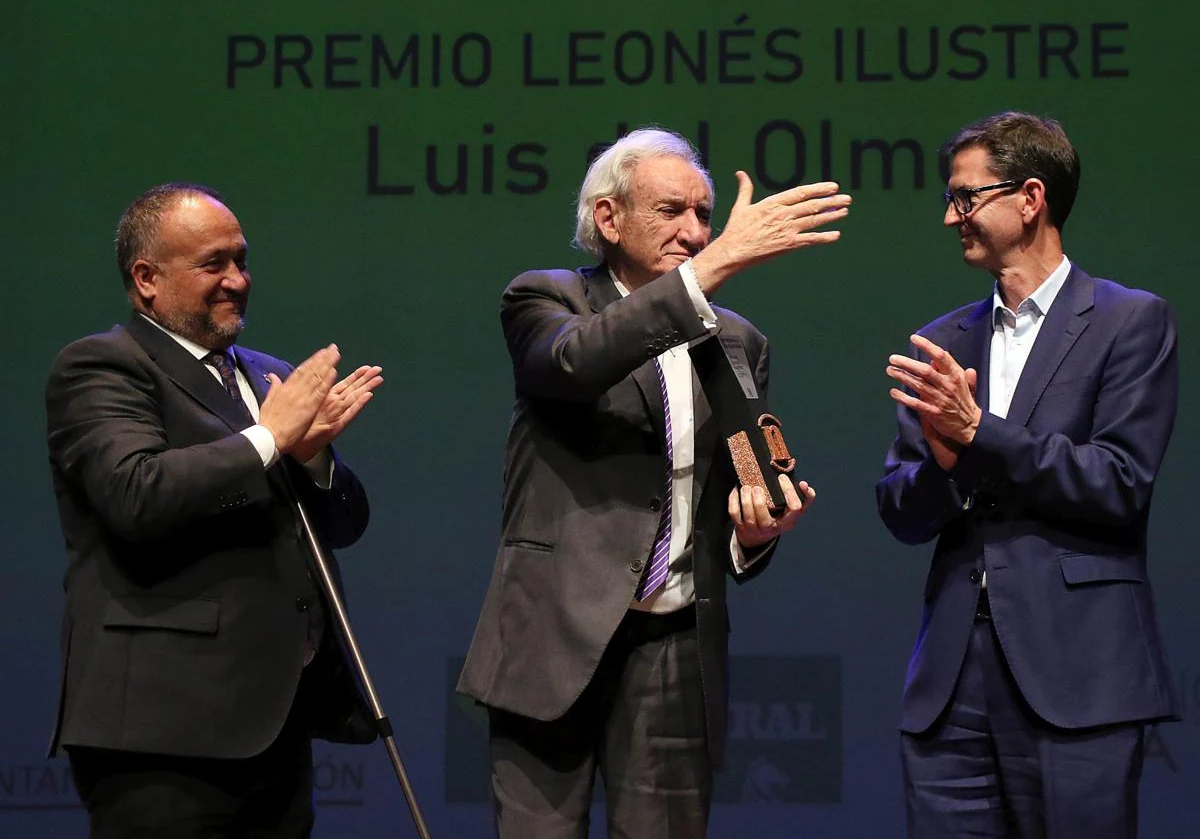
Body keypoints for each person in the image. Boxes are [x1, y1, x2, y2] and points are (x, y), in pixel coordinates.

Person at [458, 127, 851, 837]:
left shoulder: (738, 340)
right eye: (673, 211)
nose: (697, 231)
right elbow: (573, 366)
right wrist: (712, 271)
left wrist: (755, 534)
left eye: (704, 215)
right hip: (554, 636)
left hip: (674, 644)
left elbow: (739, 486)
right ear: (608, 220)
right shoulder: (546, 300)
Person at [45, 182, 384, 837]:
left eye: (241, 260)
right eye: (213, 264)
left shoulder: (268, 377)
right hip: (162, 733)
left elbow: (342, 525)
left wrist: (311, 459)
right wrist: (267, 440)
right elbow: (135, 494)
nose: (236, 280)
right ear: (146, 279)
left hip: (276, 724)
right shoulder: (103, 366)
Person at [877, 112, 1178, 838]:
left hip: (1077, 674)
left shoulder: (1129, 323)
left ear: (1030, 198)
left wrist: (980, 432)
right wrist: (945, 466)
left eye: (966, 197)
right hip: (952, 683)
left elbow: (1117, 483)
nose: (952, 216)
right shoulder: (945, 340)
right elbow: (899, 506)